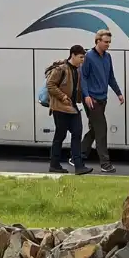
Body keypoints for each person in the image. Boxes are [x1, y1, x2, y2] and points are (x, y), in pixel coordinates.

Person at [76, 29, 125, 173]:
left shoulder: (107, 57)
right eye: (106, 42)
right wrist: (86, 95)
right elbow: (83, 77)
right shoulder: (89, 57)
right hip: (92, 99)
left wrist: (118, 93)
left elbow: (110, 77)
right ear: (97, 41)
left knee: (95, 129)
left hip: (103, 98)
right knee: (101, 129)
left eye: (109, 42)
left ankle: (77, 155)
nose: (108, 45)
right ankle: (105, 164)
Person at [47, 44, 93, 175]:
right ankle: (54, 164)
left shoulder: (77, 71)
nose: (82, 60)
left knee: (77, 133)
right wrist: (62, 97)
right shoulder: (61, 69)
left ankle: (79, 166)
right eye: (81, 57)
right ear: (73, 55)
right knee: (60, 136)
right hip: (60, 108)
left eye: (83, 57)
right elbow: (50, 84)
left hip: (72, 107)